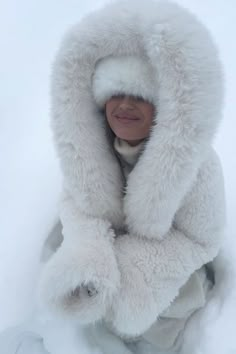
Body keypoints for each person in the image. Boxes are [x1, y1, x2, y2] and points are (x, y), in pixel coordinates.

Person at [37, 0, 226, 353]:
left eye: (139, 96)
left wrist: (137, 272)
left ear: (165, 105)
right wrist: (89, 250)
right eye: (115, 94)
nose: (124, 106)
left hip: (170, 293)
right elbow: (77, 203)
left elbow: (202, 239)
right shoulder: (90, 151)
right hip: (103, 288)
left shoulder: (196, 165)